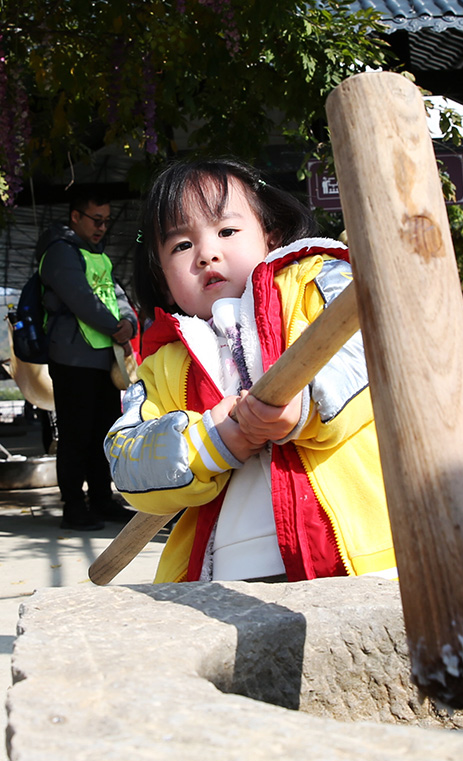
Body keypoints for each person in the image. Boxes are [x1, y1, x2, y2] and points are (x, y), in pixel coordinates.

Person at [104, 157, 396, 584]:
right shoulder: (163, 365)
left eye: (227, 231)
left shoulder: (320, 285)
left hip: (359, 557)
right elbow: (126, 459)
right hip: (224, 575)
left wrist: (308, 400)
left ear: (269, 236)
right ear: (162, 277)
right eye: (181, 246)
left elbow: (373, 354)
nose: (207, 253)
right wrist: (209, 441)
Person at [35, 187, 138, 531]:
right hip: (72, 358)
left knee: (103, 432)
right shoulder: (59, 252)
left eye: (106, 221)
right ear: (75, 217)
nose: (102, 227)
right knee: (76, 434)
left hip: (102, 358)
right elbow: (80, 298)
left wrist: (129, 322)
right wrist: (117, 328)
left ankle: (101, 499)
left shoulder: (97, 254)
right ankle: (74, 507)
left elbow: (116, 293)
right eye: (96, 220)